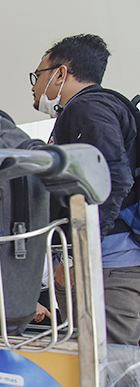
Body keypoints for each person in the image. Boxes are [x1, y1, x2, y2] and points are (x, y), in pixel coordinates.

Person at [30, 34, 139, 345]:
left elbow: (112, 180)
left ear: (60, 73)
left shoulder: (88, 108)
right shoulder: (92, 109)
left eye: (39, 75)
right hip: (103, 263)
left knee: (108, 370)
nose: (35, 86)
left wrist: (78, 256)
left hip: (110, 266)